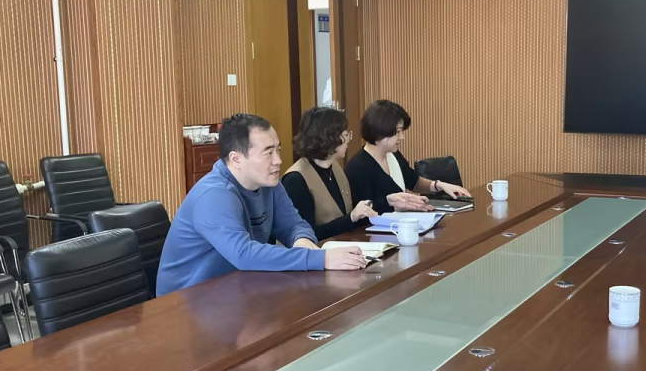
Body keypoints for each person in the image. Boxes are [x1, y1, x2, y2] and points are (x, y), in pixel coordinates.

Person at [156, 113, 367, 296]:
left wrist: (302, 240)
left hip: (238, 288)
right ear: (236, 159)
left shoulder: (268, 183)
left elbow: (294, 224)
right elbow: (243, 254)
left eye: (278, 150)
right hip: (188, 301)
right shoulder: (213, 195)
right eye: (268, 153)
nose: (278, 160)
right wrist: (320, 259)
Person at [345, 100, 471, 214]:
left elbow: (414, 182)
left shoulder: (394, 155)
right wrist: (397, 206)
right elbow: (361, 212)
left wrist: (440, 185)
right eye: (398, 132)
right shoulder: (357, 167)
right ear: (380, 131)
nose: (402, 137)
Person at [282, 107, 377, 241]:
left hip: (344, 245)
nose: (348, 139)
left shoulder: (335, 167)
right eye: (345, 135)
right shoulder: (296, 179)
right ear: (329, 138)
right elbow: (306, 234)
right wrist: (351, 217)